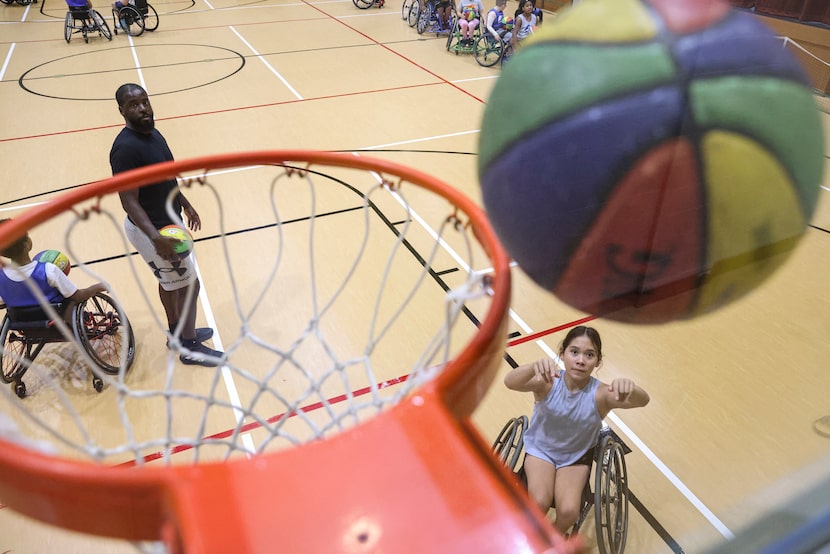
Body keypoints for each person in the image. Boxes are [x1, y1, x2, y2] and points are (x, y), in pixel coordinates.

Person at [110, 83, 223, 367]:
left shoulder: (153, 134)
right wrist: (155, 238)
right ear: (122, 110)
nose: (143, 108)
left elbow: (166, 178)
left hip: (168, 225)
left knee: (172, 283)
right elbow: (129, 201)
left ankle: (176, 332)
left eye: (145, 102)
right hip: (154, 231)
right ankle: (188, 346)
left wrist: (185, 203)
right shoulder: (125, 149)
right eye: (134, 105)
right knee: (189, 284)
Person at [504, 326, 649, 535]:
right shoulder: (548, 382)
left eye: (589, 355)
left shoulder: (601, 394)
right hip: (541, 451)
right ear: (562, 354)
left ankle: (554, 536)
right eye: (574, 352)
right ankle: (529, 536)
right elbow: (510, 382)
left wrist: (631, 388)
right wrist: (532, 367)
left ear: (597, 361)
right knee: (539, 502)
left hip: (574, 457)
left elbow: (643, 401)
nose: (581, 360)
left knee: (570, 512)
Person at [0, 220, 106, 320]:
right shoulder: (48, 270)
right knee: (70, 300)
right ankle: (81, 326)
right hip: (55, 321)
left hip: (23, 325)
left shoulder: (1, 277)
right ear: (26, 245)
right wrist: (95, 288)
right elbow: (78, 296)